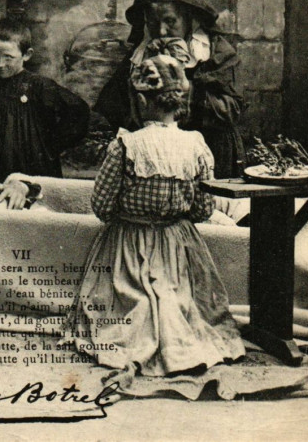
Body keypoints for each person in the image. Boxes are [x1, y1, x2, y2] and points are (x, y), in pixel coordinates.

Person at [60, 53, 245, 378]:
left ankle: (138, 332)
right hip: (178, 244)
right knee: (178, 299)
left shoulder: (126, 146)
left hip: (129, 243)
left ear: (140, 102)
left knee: (130, 300)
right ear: (181, 101)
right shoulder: (197, 147)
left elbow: (101, 206)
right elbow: (202, 210)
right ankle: (178, 339)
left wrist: (130, 213)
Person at [95, 0, 246, 178]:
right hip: (158, 160)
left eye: (170, 21)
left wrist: (187, 88)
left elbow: (232, 110)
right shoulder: (139, 54)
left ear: (188, 19)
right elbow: (112, 107)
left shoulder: (214, 51)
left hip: (211, 153)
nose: (162, 31)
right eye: (153, 23)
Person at [0, 18, 90, 183]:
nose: (0, 64)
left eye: (8, 57)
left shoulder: (39, 86)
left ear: (26, 55)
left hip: (27, 166)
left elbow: (79, 111)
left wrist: (50, 144)